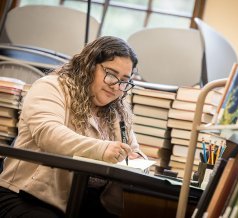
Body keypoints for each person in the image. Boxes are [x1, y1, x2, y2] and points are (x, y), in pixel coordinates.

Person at [0, 36, 146, 217]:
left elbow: (133, 152)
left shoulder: (118, 111)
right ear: (89, 65)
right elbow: (48, 134)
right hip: (28, 196)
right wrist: (103, 149)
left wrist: (138, 160)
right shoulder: (52, 86)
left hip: (88, 203)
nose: (116, 86)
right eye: (110, 74)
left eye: (124, 80)